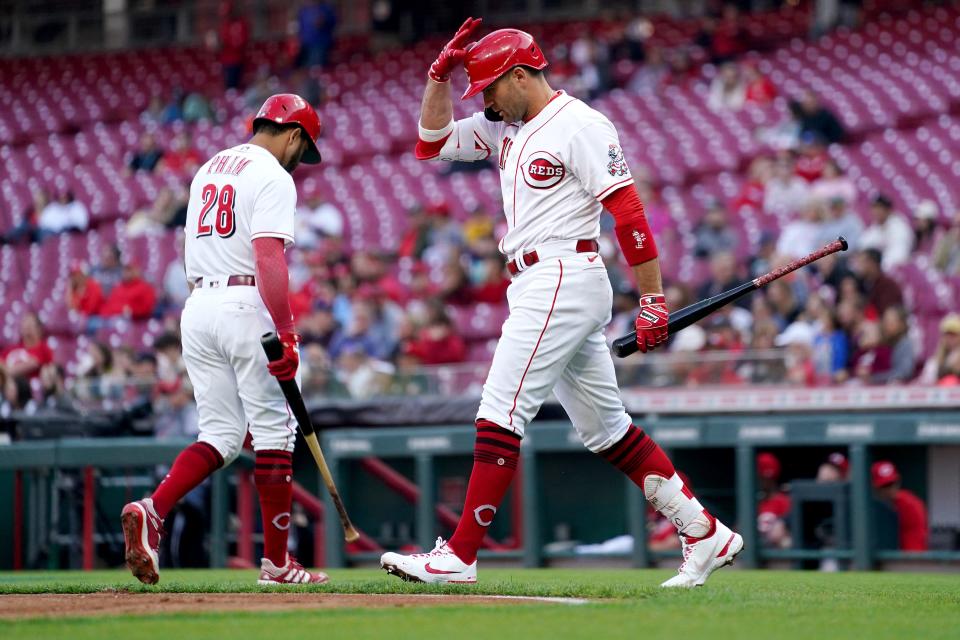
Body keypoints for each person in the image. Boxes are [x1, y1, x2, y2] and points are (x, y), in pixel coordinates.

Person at [378, 19, 742, 589]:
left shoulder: (580, 124)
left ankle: (461, 555)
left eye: (491, 88)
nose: (487, 102)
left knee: (501, 406)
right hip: (537, 279)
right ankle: (705, 532)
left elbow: (629, 212)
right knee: (606, 430)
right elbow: (430, 142)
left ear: (520, 75)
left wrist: (651, 299)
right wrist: (437, 76)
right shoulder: (506, 127)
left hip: (562, 273)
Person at [120, 93, 329, 586]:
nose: (302, 160)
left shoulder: (210, 167)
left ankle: (155, 508)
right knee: (276, 435)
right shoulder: (273, 175)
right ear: (294, 134)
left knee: (220, 436)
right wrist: (287, 331)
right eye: (305, 148)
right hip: (245, 304)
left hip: (198, 308)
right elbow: (268, 258)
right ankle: (278, 564)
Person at [871, 461, 928, 552]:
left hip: (906, 559)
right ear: (875, 487)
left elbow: (914, 547)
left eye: (893, 483)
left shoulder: (910, 504)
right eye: (885, 486)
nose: (891, 489)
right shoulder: (874, 506)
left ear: (898, 481)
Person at [860, 194, 913, 270]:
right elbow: (863, 246)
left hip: (895, 271)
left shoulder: (900, 228)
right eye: (874, 208)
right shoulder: (875, 227)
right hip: (875, 271)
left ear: (888, 210)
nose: (876, 212)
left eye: (879, 208)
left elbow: (899, 256)